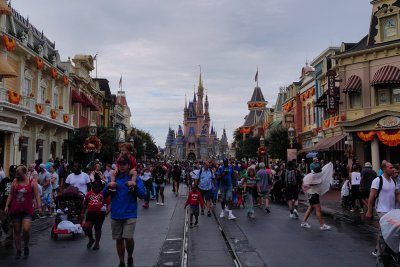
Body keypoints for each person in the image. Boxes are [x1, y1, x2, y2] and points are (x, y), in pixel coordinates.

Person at [103, 155, 145, 267]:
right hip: (116, 213)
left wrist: (134, 187)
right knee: (119, 239)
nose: (121, 166)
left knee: (129, 238)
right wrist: (109, 187)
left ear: (129, 165)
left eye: (124, 164)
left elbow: (142, 195)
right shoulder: (113, 178)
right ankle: (121, 261)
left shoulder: (135, 178)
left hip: (130, 213)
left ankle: (130, 256)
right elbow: (103, 194)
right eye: (120, 164)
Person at [5, 165, 42, 259]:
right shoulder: (15, 181)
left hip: (27, 210)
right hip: (15, 209)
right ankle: (18, 250)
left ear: (25, 173)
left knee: (25, 229)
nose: (17, 176)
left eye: (19, 174)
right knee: (16, 231)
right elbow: (11, 194)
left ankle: (26, 245)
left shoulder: (32, 181)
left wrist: (39, 206)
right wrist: (6, 205)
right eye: (17, 175)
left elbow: (37, 195)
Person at [366, 161, 399, 257]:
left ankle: (388, 249)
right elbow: (371, 196)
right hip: (381, 210)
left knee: (391, 231)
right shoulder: (377, 180)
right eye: (390, 168)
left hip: (391, 211)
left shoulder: (393, 181)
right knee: (383, 232)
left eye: (393, 167)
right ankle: (378, 250)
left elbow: (397, 195)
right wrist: (369, 210)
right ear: (384, 169)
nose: (392, 169)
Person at [81, 179, 110, 250]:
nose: (97, 188)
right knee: (86, 227)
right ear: (92, 187)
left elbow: (109, 204)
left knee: (98, 228)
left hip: (100, 214)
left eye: (98, 187)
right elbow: (85, 204)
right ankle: (91, 239)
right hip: (90, 213)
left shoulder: (104, 194)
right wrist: (82, 213)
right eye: (95, 186)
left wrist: (107, 210)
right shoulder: (89, 194)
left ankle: (97, 243)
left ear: (101, 187)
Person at [300, 166, 332, 230]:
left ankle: (303, 222)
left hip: (311, 194)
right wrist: (319, 182)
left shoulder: (310, 175)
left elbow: (304, 184)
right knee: (318, 209)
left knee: (310, 208)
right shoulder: (313, 177)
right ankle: (322, 225)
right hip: (313, 194)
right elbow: (312, 183)